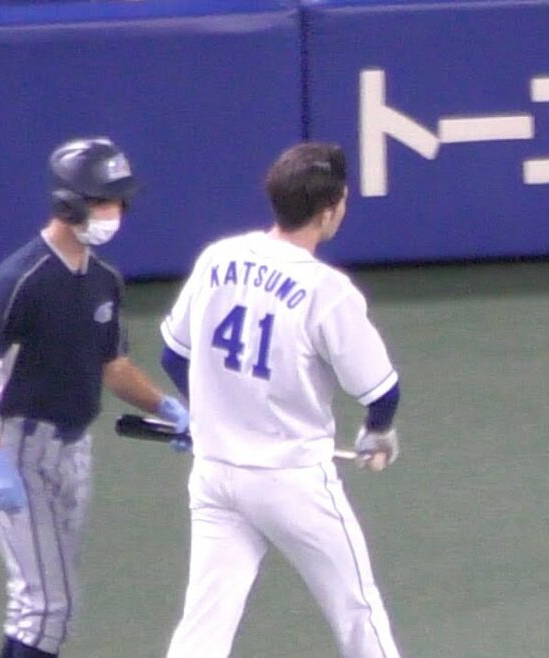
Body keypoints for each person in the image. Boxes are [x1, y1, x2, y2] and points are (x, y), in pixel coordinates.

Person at [159, 142, 403, 658]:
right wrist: (378, 430)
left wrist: (207, 414)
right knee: (357, 610)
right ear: (330, 209)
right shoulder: (326, 290)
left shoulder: (217, 258)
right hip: (292, 482)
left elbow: (173, 356)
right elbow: (380, 391)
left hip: (216, 475)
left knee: (204, 625)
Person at [0, 136, 190, 658]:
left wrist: (168, 409)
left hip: (73, 451)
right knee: (47, 607)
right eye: (105, 201)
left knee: (39, 606)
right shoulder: (19, 279)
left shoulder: (103, 280)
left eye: (118, 202)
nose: (115, 213)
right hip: (18, 448)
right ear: (69, 203)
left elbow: (114, 366)